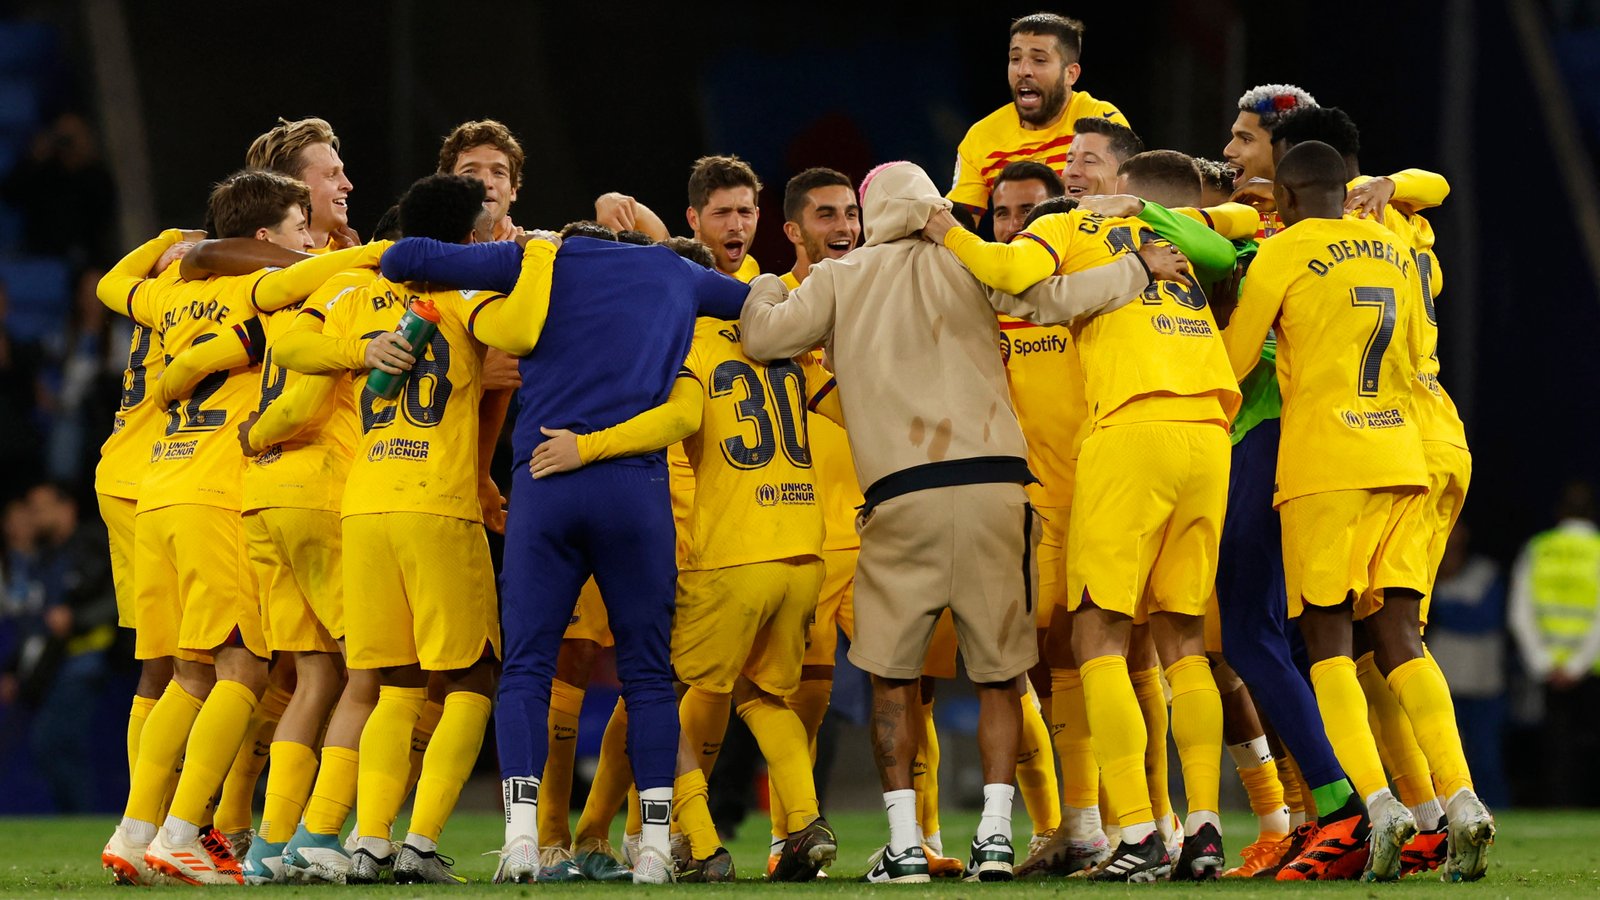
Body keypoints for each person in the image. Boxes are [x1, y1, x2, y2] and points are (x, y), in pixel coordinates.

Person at [739, 160, 1183, 883]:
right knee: (1003, 675)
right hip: (997, 488)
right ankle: (998, 837)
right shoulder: (969, 266)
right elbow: (1057, 298)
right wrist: (1138, 267)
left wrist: (762, 283)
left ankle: (906, 843)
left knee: (892, 678)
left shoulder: (839, 279)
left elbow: (764, 337)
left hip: (902, 493)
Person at [377, 207, 751, 885]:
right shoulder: (673, 269)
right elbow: (764, 305)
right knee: (646, 675)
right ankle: (659, 848)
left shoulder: (533, 261)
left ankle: (523, 840)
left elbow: (405, 257)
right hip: (635, 491)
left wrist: (525, 251)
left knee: (525, 668)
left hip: (545, 483)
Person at [96, 171, 383, 887]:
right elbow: (306, 287)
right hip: (216, 490)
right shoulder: (255, 291)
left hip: (159, 481)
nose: (304, 240)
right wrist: (382, 256)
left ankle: (137, 832)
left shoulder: (171, 295)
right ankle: (185, 830)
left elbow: (112, 286)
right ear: (263, 239)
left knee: (185, 674)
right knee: (242, 669)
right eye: (294, 227)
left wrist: (173, 245)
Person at [1223, 140, 1494, 883]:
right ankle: (1462, 798)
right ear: (1348, 189)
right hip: (1404, 454)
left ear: (1282, 198)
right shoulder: (1395, 248)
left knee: (1329, 645)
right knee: (1402, 636)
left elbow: (1233, 361)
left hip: (1324, 466)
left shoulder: (1284, 253)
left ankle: (1379, 804)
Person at [273, 173, 554, 884]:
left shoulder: (350, 290)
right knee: (471, 678)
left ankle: (368, 840)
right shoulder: (465, 297)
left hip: (364, 506)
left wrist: (359, 351)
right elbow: (519, 335)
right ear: (465, 237)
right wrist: (538, 260)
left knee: (393, 680)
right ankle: (420, 843)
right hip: (436, 503)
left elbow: (291, 344)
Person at [0, 482, 117, 812]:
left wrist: (76, 618)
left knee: (54, 740)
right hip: (52, 666)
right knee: (58, 745)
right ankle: (77, 816)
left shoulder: (93, 544)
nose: (35, 516)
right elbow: (35, 621)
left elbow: (119, 600)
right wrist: (12, 668)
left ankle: (81, 816)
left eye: (42, 508)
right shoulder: (46, 557)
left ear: (67, 509)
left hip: (87, 659)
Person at [949, 13, 1127, 221]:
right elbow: (960, 227)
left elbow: (1125, 206)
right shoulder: (981, 137)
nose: (1023, 70)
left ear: (1071, 74)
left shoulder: (1100, 122)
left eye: (1039, 60)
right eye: (1015, 59)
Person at [1509, 480, 1600, 807]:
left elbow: (1521, 612)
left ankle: (1561, 804)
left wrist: (1544, 662)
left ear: (1559, 511)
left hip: (1549, 669)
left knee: (1558, 751)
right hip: (1591, 668)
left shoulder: (1539, 547)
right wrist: (1577, 665)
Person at [1427, 525, 1509, 809]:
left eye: (1458, 529)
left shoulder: (1484, 572)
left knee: (1486, 757)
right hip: (1442, 678)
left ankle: (1496, 811)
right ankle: (1444, 812)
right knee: (1443, 758)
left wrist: (1445, 606)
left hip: (1483, 678)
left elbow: (1485, 619)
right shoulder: (1426, 569)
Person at [246, 117, 358, 252]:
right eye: (331, 175)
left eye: (342, 172)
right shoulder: (238, 265)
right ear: (291, 186)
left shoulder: (365, 254)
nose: (348, 185)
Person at [437, 119, 525, 242]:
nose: (486, 183)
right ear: (447, 187)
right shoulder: (418, 256)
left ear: (512, 190)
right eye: (470, 172)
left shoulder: (544, 253)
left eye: (498, 172)